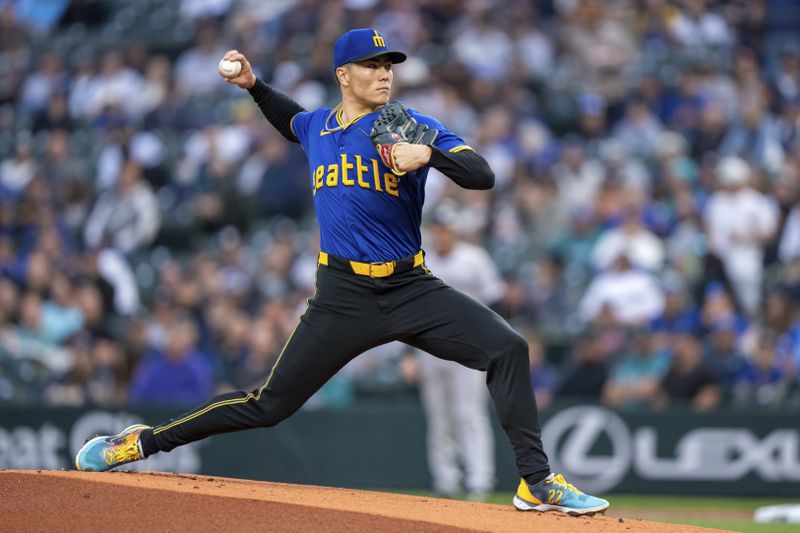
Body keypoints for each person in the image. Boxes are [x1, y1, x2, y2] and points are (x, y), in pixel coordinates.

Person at [75, 28, 608, 516]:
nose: (384, 73)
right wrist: (254, 84)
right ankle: (141, 442)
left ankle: (535, 481)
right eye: (372, 64)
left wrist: (427, 155)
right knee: (268, 405)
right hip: (343, 295)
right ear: (343, 75)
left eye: (389, 65)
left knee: (507, 348)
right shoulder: (316, 127)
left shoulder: (411, 126)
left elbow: (483, 175)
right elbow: (289, 118)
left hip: (411, 286)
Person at [411, 203, 503, 500]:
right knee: (438, 419)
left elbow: (496, 302)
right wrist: (408, 355)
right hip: (430, 348)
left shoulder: (474, 259)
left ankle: (480, 479)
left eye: (447, 228)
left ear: (456, 230)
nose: (443, 234)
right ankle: (445, 480)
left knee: (469, 414)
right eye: (438, 229)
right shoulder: (421, 261)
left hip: (469, 347)